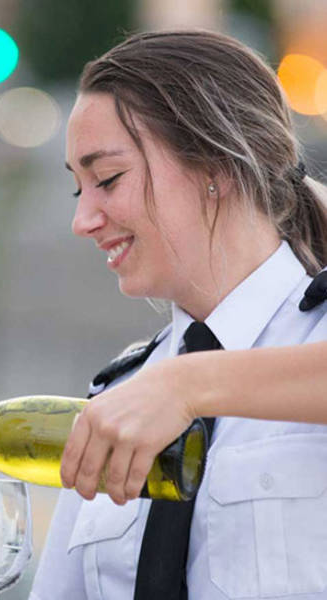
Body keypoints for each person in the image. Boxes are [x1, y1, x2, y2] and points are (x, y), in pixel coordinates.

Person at [30, 30, 327, 600]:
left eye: (108, 179)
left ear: (215, 165)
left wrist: (188, 385)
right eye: (77, 191)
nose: (84, 219)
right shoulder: (121, 398)